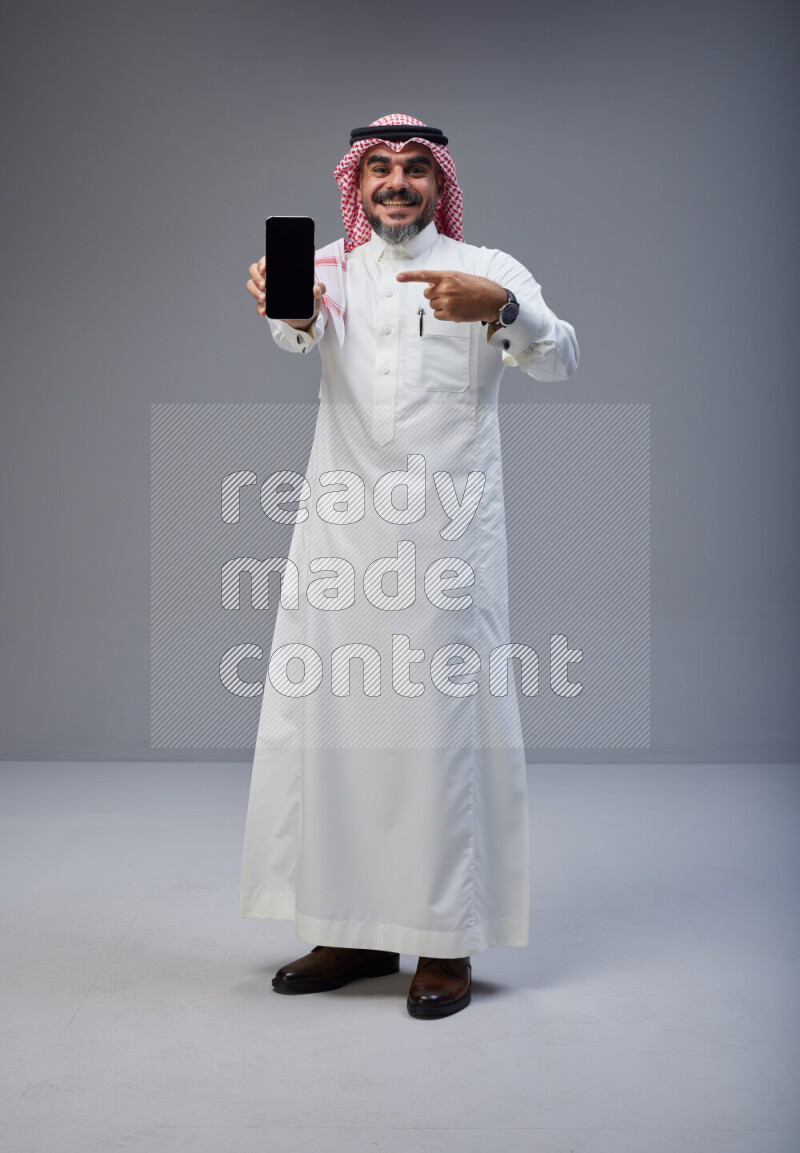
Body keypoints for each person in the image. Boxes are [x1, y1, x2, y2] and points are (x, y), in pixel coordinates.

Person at [241, 113, 579, 1019]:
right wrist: (288, 307)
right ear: (356, 184)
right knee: (342, 723)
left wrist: (502, 313)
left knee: (439, 731)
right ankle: (351, 927)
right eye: (379, 168)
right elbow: (294, 330)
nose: (395, 182)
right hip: (341, 536)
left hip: (446, 543)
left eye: (415, 169)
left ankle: (443, 943)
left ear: (440, 185)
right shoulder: (326, 268)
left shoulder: (491, 269)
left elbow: (562, 355)